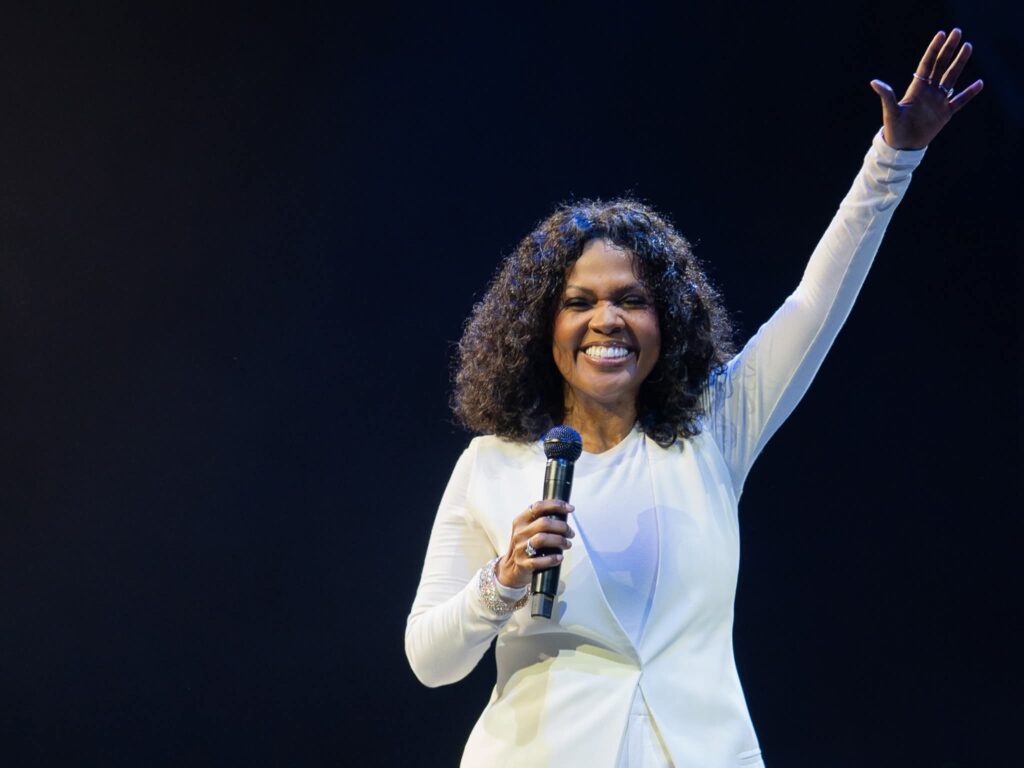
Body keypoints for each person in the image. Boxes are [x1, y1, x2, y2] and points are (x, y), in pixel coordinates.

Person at [405, 29, 982, 768]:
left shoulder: (713, 429)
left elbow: (814, 306)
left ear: (666, 322)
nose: (606, 320)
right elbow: (430, 661)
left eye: (631, 300)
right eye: (579, 302)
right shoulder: (494, 463)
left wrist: (892, 159)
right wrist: (504, 579)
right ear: (541, 329)